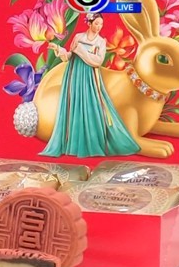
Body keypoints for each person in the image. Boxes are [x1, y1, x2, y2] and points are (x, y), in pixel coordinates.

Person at [41, 13, 140, 158]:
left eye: (101, 24)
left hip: (90, 78)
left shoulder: (100, 42)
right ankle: (74, 145)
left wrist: (81, 50)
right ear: (89, 23)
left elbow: (97, 62)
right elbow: (69, 56)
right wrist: (59, 49)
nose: (99, 27)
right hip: (75, 75)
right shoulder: (78, 37)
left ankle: (92, 143)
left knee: (92, 106)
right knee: (74, 106)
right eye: (96, 24)